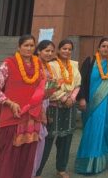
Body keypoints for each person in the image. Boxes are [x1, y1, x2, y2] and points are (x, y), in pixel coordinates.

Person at [0, 34, 46, 178]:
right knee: (8, 157)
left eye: (32, 45)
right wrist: (10, 103)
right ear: (19, 47)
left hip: (32, 119)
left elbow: (42, 88)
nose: (29, 48)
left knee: (27, 158)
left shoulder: (39, 65)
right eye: (26, 45)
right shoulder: (8, 64)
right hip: (12, 118)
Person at [35, 39, 81, 178]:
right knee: (48, 140)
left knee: (66, 139)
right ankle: (37, 172)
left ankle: (61, 169)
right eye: (64, 48)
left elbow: (78, 84)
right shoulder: (51, 65)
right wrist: (63, 97)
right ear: (59, 50)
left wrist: (72, 98)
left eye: (69, 49)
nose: (67, 51)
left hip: (70, 107)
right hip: (54, 106)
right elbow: (50, 86)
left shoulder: (74, 65)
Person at [75, 38, 108, 175]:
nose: (106, 49)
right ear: (98, 48)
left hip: (105, 103)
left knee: (102, 129)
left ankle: (99, 162)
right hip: (90, 103)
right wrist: (82, 98)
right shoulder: (90, 61)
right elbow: (81, 81)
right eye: (103, 46)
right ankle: (86, 163)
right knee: (90, 129)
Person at [33, 40, 57, 178]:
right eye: (46, 50)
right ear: (38, 51)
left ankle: (35, 172)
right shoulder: (34, 65)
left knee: (41, 141)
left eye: (51, 51)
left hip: (45, 103)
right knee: (35, 140)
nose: (49, 53)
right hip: (34, 106)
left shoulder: (47, 66)